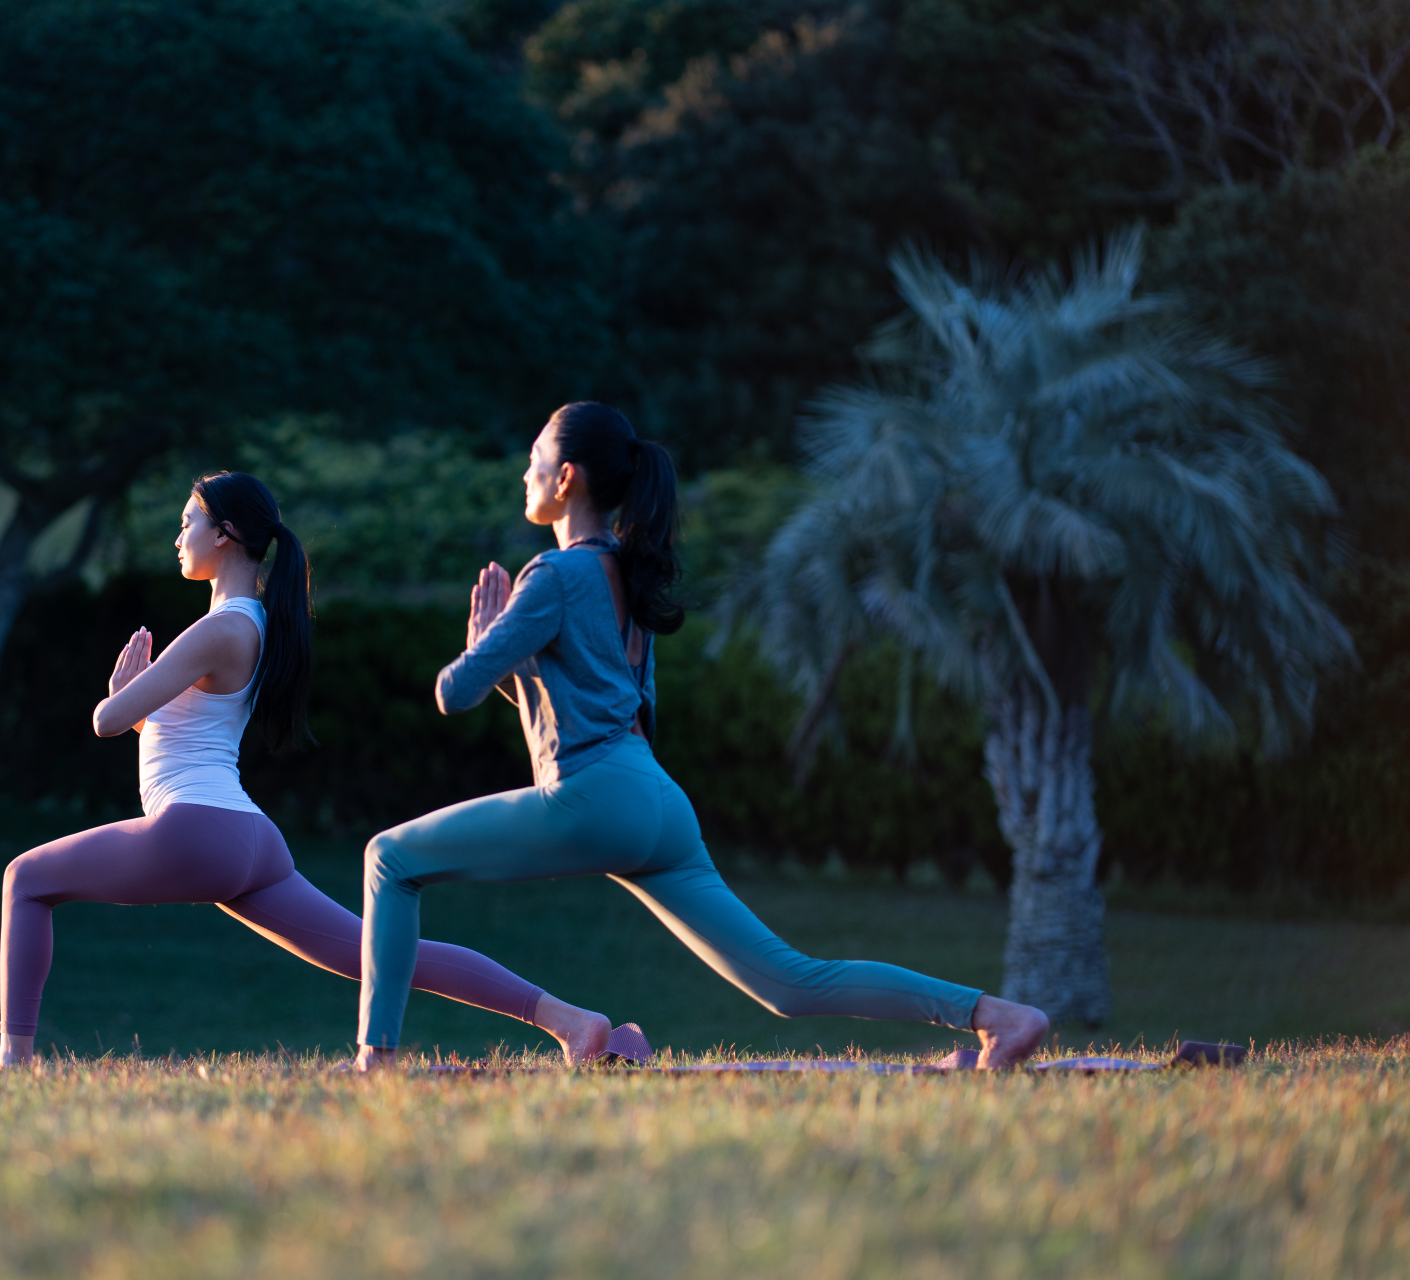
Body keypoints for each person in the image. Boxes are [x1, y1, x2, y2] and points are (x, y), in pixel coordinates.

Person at [351, 403, 1052, 1072]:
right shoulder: (627, 574)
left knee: (390, 859)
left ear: (566, 479)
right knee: (791, 983)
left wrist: (483, 643)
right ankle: (997, 1016)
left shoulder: (553, 574)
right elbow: (596, 703)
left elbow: (453, 692)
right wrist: (513, 664)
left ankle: (374, 1060)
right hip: (655, 802)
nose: (524, 474)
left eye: (535, 459)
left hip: (594, 795)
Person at [0, 471, 620, 1069]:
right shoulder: (254, 622)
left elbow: (106, 720)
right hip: (248, 837)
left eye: (188, 522)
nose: (178, 537)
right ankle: (570, 1021)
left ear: (224, 534)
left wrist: (117, 691)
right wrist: (134, 707)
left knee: (25, 879)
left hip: (199, 827)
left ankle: (13, 1064)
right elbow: (173, 735)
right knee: (371, 954)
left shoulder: (219, 628)